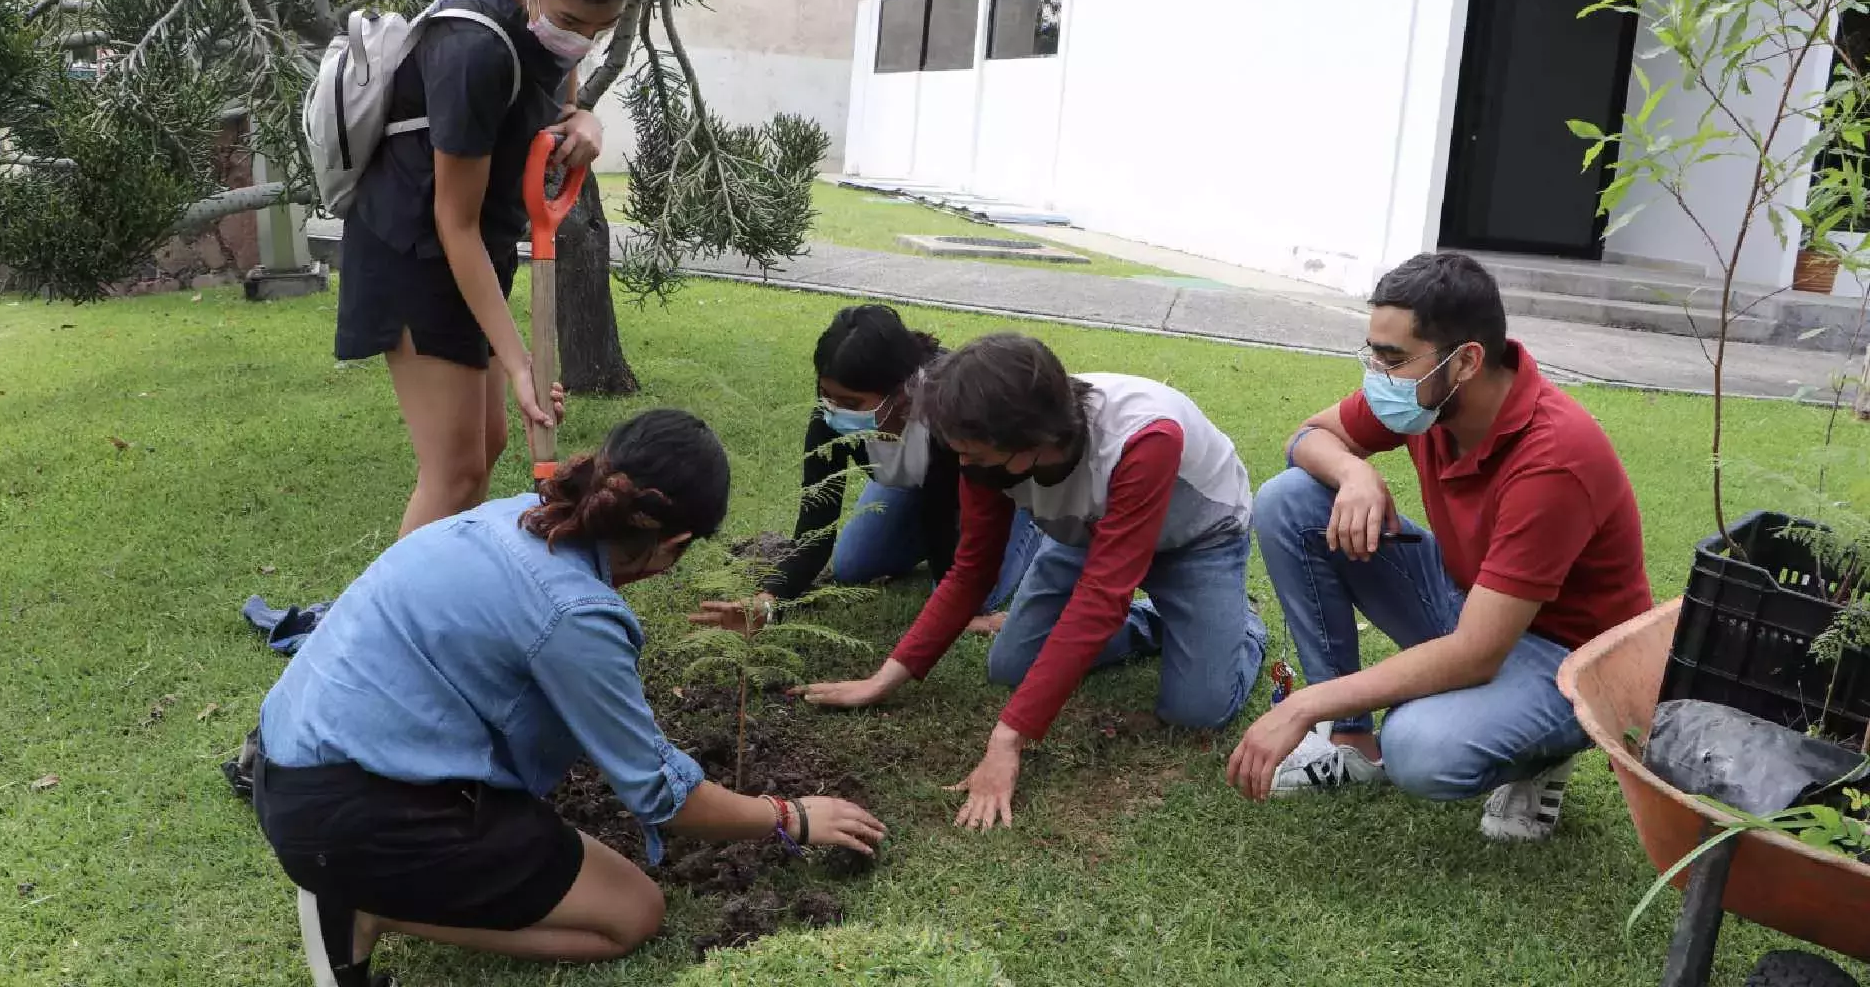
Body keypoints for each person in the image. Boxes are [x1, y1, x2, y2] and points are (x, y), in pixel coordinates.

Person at [252, 410, 885, 987]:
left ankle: (364, 882)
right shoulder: (575, 612)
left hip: (290, 765)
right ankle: (364, 908)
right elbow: (665, 800)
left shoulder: (517, 515)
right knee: (632, 914)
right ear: (675, 544)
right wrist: (789, 815)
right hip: (357, 816)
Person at [1226, 253, 1651, 841]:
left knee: (1420, 747)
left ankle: (1540, 754)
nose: (1376, 372)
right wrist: (1355, 474)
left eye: (1393, 358)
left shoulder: (1554, 458)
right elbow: (1308, 437)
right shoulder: (1426, 400)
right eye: (1373, 351)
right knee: (1291, 501)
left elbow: (1476, 653)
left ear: (1468, 361)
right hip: (1473, 602)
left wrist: (1306, 703)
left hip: (1570, 662)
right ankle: (1350, 741)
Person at [798, 334, 1269, 829]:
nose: (964, 467)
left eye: (975, 457)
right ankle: (1157, 625)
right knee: (1012, 665)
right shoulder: (983, 447)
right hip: (1082, 532)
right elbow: (972, 570)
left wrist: (1008, 737)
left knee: (1196, 709)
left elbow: (1102, 596)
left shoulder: (1145, 437)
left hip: (1195, 537)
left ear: (1034, 441)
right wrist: (884, 679)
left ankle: (1245, 626)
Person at [336, 0, 636, 536]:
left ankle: (443, 600)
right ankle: (391, 627)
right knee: (455, 471)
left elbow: (563, 92)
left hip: (476, 247)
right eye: (573, 21)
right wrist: (523, 363)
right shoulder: (472, 45)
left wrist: (585, 120)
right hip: (417, 249)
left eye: (601, 28)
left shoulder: (548, 21)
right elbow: (455, 222)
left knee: (488, 447)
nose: (582, 39)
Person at [693, 306, 1041, 636]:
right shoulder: (828, 421)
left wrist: (958, 606)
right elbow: (816, 529)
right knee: (853, 566)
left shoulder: (949, 412)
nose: (833, 410)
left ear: (901, 391)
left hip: (992, 486)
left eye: (850, 403)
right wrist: (766, 602)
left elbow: (940, 513)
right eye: (825, 394)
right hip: (917, 486)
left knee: (964, 594)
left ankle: (1037, 525)